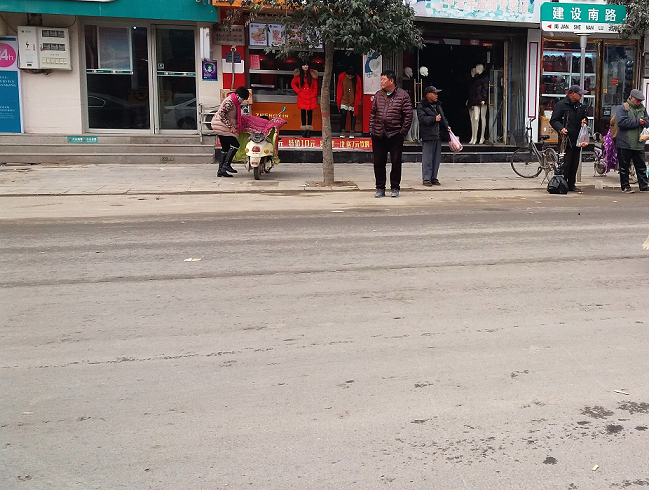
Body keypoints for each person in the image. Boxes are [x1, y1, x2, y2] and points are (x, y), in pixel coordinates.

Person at [369, 69, 413, 198]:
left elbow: (408, 115)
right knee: (378, 162)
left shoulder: (403, 95)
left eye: (384, 79)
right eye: (381, 79)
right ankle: (380, 188)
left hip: (395, 134)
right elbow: (372, 113)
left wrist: (402, 132)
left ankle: (395, 187)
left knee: (396, 162)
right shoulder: (378, 95)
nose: (381, 82)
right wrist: (372, 129)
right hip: (378, 134)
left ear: (391, 81)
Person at [550, 84, 589, 192]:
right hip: (565, 139)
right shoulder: (561, 105)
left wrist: (584, 121)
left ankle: (571, 184)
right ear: (572, 94)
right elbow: (554, 120)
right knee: (565, 163)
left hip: (577, 139)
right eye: (579, 94)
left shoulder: (579, 106)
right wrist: (561, 128)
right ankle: (562, 183)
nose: (581, 96)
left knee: (574, 163)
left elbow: (584, 117)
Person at [614, 88, 649, 193]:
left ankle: (644, 186)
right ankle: (625, 186)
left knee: (641, 166)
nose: (639, 103)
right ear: (631, 98)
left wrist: (645, 122)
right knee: (624, 166)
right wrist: (638, 122)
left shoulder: (642, 109)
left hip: (639, 143)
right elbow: (621, 122)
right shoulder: (624, 108)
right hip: (625, 143)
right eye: (637, 101)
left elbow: (647, 121)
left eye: (640, 101)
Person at [211, 86, 249, 178]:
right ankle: (226, 165)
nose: (242, 101)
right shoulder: (230, 102)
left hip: (220, 126)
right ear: (237, 95)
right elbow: (221, 114)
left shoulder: (234, 102)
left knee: (225, 148)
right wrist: (231, 126)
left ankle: (221, 171)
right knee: (235, 144)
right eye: (242, 98)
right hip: (221, 126)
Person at [417, 86, 450, 186]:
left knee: (436, 158)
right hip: (428, 134)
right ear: (428, 95)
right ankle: (426, 178)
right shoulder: (422, 106)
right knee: (427, 158)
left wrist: (447, 126)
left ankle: (434, 177)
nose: (436, 95)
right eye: (434, 93)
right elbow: (422, 119)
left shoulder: (438, 105)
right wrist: (433, 119)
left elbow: (443, 117)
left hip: (438, 134)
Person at [291, 63, 319, 138]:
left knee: (310, 114)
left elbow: (315, 86)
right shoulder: (298, 75)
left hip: (311, 97)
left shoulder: (312, 75)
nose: (305, 67)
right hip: (302, 97)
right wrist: (298, 92)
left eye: (306, 65)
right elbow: (293, 84)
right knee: (303, 114)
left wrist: (314, 94)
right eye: (304, 65)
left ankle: (309, 130)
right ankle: (303, 130)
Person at [336, 67, 362, 138]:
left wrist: (358, 98)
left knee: (353, 115)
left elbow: (359, 89)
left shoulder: (357, 79)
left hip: (353, 99)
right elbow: (339, 87)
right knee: (343, 114)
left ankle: (352, 131)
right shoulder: (342, 76)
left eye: (351, 76)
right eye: (348, 76)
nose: (350, 77)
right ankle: (342, 130)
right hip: (344, 98)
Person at [467, 64, 488, 145]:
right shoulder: (475, 79)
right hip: (475, 100)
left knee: (482, 118)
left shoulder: (484, 78)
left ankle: (481, 137)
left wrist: (484, 99)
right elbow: (472, 90)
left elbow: (485, 89)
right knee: (475, 118)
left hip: (482, 100)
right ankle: (474, 137)